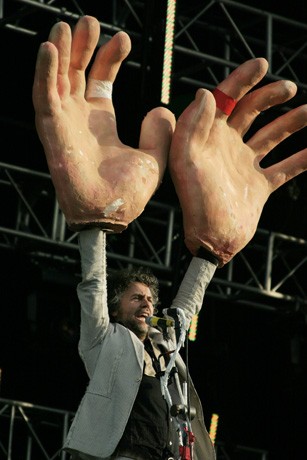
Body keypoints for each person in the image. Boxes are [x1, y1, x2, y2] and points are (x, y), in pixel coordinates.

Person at [32, 15, 307, 460]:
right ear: (117, 309)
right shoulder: (103, 341)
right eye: (136, 298)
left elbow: (188, 304)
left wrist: (213, 252)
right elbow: (93, 287)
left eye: (149, 298)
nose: (147, 304)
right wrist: (95, 224)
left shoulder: (166, 346)